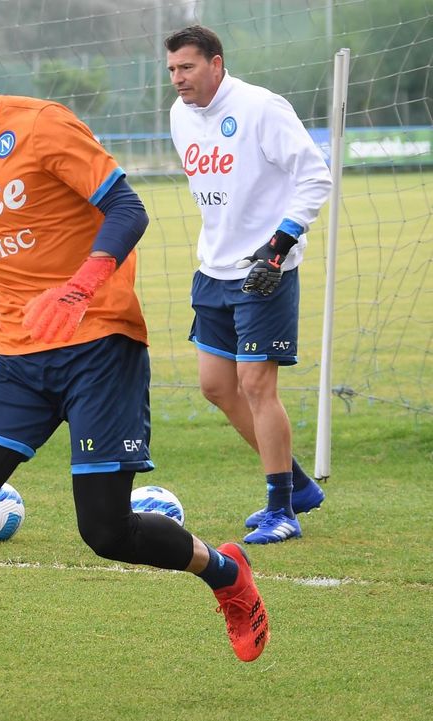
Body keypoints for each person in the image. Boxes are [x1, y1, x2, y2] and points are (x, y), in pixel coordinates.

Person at [0, 32, 270, 721]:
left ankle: (225, 572)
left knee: (106, 531)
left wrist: (81, 287)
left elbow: (129, 208)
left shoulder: (42, 125)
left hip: (100, 345)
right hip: (17, 352)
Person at [164, 25, 332, 544]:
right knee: (217, 386)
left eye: (187, 67)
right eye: (171, 70)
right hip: (213, 268)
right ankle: (298, 482)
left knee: (258, 385)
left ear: (216, 63)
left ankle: (281, 508)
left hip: (266, 270)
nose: (178, 79)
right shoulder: (178, 116)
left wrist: (279, 244)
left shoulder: (262, 107)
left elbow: (314, 176)